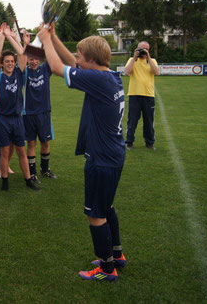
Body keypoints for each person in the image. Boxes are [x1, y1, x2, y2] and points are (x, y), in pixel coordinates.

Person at [37, 24, 126, 282]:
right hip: (113, 155)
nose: (75, 60)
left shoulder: (97, 80)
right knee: (106, 207)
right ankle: (116, 254)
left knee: (96, 214)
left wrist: (45, 41)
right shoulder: (109, 76)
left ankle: (107, 269)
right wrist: (54, 36)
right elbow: (72, 66)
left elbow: (57, 68)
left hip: (102, 159)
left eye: (79, 56)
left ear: (90, 60)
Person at [0, 24, 39, 191]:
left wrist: (9, 36)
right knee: (5, 153)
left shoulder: (20, 74)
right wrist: (0, 36)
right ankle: (5, 181)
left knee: (21, 151)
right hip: (2, 119)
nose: (10, 63)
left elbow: (21, 53)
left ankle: (28, 180)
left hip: (17, 118)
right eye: (7, 62)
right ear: (3, 65)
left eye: (12, 61)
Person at [23, 46, 57, 182]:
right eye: (31, 59)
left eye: (36, 59)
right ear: (27, 60)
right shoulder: (24, 72)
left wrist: (45, 41)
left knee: (45, 143)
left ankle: (45, 169)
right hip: (29, 113)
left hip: (44, 112)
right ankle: (32, 173)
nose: (34, 61)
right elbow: (21, 57)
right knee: (31, 144)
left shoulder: (45, 69)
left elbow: (51, 54)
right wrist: (25, 45)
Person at [124, 41, 159, 150]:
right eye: (141, 49)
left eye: (146, 49)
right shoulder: (131, 60)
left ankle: (150, 142)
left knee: (149, 120)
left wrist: (148, 57)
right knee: (132, 120)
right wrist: (134, 58)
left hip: (148, 95)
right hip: (134, 94)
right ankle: (129, 142)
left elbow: (156, 72)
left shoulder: (152, 61)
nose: (143, 51)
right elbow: (126, 72)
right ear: (137, 49)